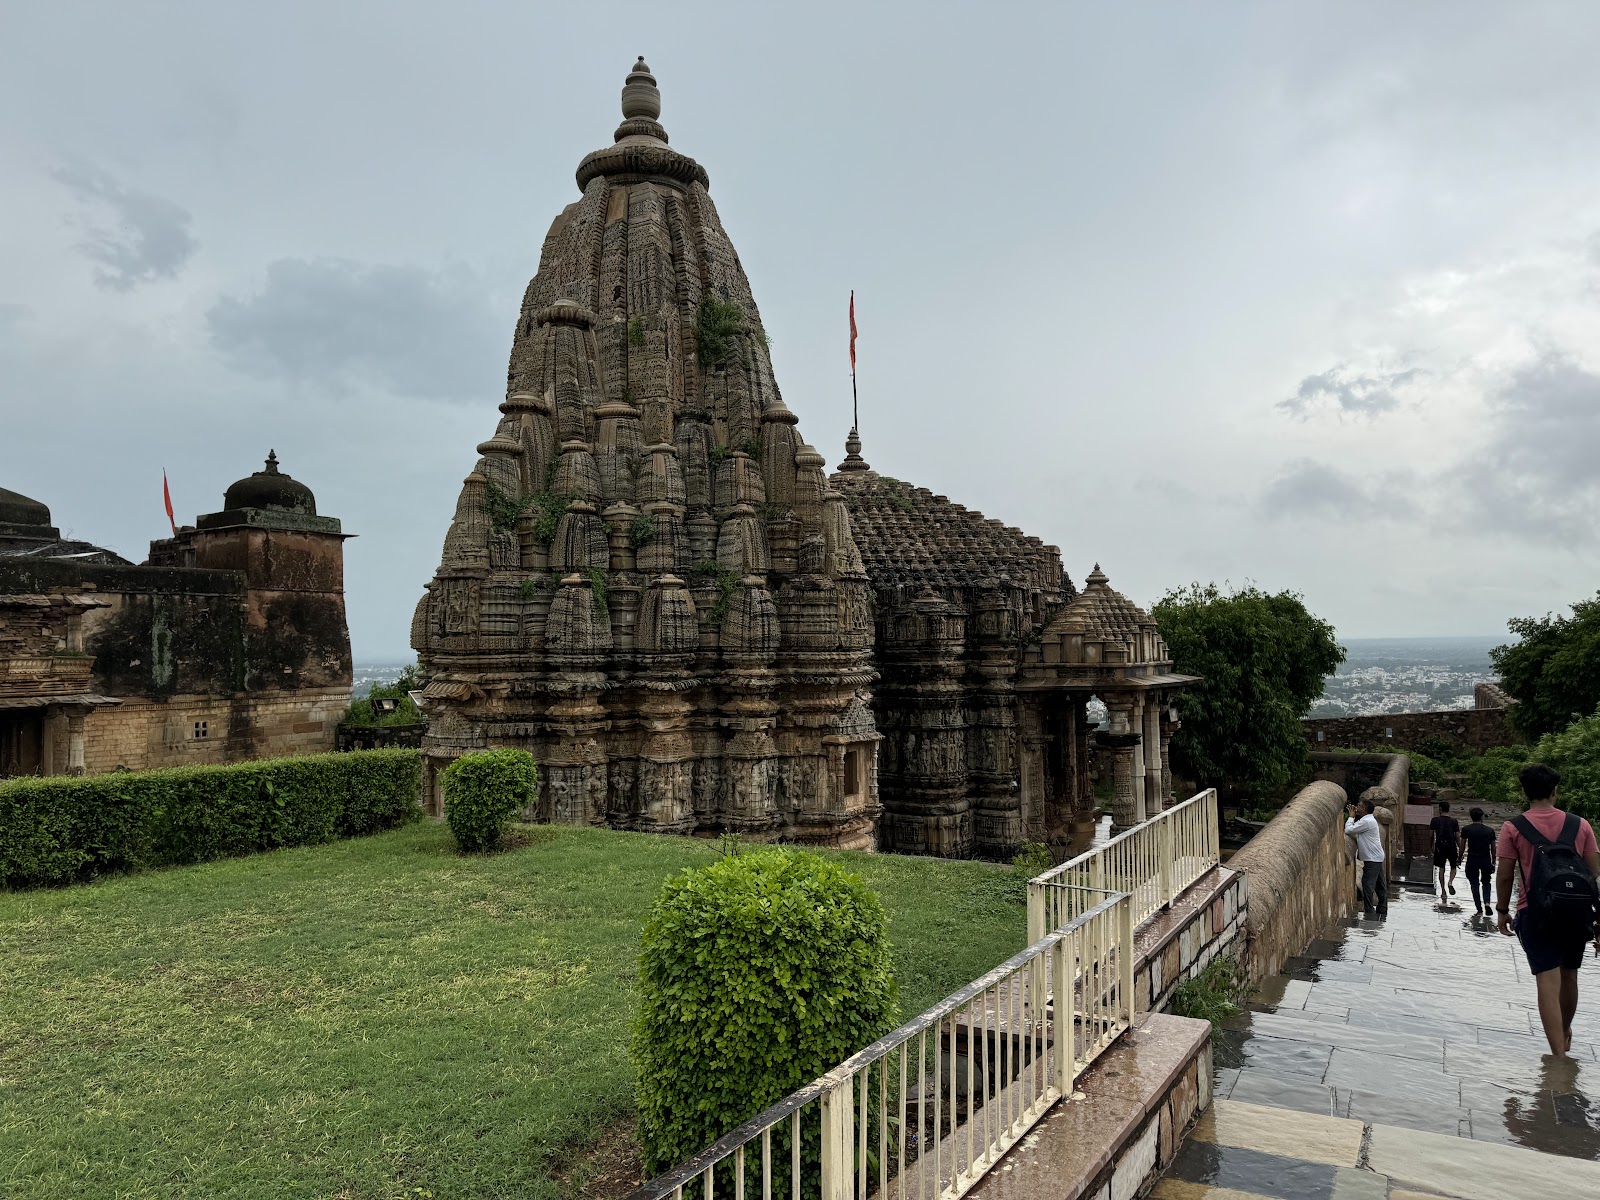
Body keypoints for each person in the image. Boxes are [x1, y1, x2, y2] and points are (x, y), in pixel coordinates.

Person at [1496, 763, 1600, 1057]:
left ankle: (1558, 1054)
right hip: (1576, 912)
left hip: (1535, 912)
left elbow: (1504, 874)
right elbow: (1595, 876)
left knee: (1547, 979)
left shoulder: (1513, 827)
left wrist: (1502, 911)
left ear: (1526, 793)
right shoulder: (1580, 825)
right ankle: (1565, 1030)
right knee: (1570, 975)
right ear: (1555, 791)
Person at [1345, 795, 1387, 918]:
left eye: (1359, 806)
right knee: (1380, 884)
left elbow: (1348, 830)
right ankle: (1382, 907)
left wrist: (1351, 817)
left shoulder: (1366, 821)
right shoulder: (1368, 820)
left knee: (1367, 884)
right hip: (1376, 856)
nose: (1357, 807)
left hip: (1372, 858)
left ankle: (1369, 910)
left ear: (1364, 809)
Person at [1461, 807, 1497, 916]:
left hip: (1472, 858)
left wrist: (1459, 858)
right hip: (1485, 858)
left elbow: (1462, 846)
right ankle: (1487, 902)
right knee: (1486, 882)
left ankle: (1479, 909)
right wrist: (1494, 860)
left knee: (1474, 883)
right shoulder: (1489, 830)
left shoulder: (1466, 829)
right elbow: (1493, 848)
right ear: (1482, 817)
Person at [1430, 799, 1461, 903]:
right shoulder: (1454, 821)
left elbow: (1431, 835)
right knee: (1453, 866)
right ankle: (1450, 882)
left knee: (1441, 868)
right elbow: (1457, 837)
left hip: (1440, 846)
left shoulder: (1435, 820)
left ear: (1440, 809)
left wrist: (1431, 846)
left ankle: (1443, 890)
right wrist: (1460, 849)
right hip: (1451, 846)